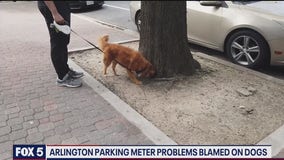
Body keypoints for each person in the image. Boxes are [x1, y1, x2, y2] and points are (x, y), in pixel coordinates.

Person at [38, 1, 83, 88]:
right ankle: (62, 77)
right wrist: (55, 13)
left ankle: (66, 70)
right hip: (53, 7)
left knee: (63, 40)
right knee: (57, 42)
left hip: (61, 5)